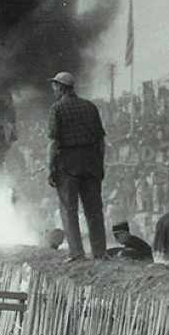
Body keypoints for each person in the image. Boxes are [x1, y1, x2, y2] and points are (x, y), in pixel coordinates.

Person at [46, 71, 107, 262]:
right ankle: (99, 252)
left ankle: (77, 253)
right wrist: (100, 162)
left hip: (68, 163)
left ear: (61, 88)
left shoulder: (57, 109)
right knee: (94, 210)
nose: (53, 89)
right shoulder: (90, 107)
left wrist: (49, 167)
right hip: (91, 162)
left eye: (55, 86)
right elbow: (101, 141)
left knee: (69, 209)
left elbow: (54, 142)